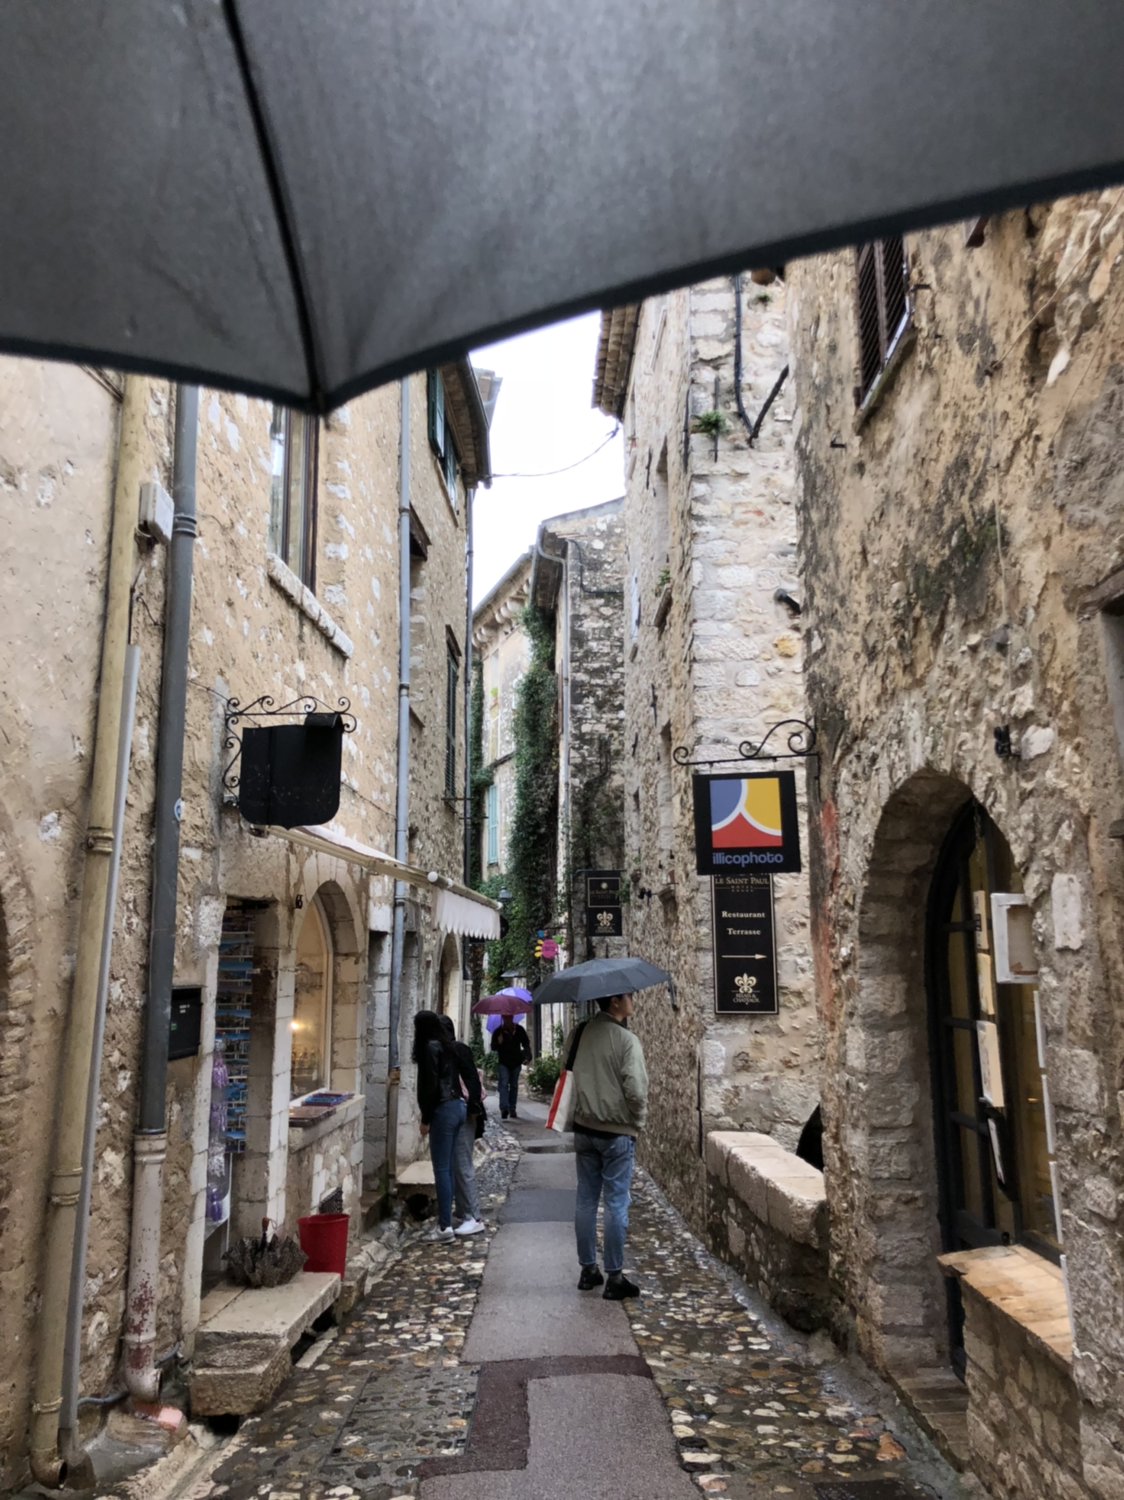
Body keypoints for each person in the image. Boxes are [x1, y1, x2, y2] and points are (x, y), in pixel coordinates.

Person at [569, 992, 648, 1300]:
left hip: (583, 1129)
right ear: (615, 1001)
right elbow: (636, 1090)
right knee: (616, 1201)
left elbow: (568, 1073)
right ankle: (615, 1276)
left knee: (586, 1199)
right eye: (629, 996)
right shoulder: (627, 1041)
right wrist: (637, 1121)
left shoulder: (579, 1034)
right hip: (616, 1132)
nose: (633, 1000)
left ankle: (588, 1270)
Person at [413, 1009, 478, 1242]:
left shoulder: (430, 1048)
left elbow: (430, 1086)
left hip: (444, 1109)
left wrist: (425, 1119)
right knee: (448, 1169)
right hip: (458, 1106)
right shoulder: (447, 1046)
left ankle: (444, 1227)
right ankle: (448, 1220)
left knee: (441, 1170)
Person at [439, 1015, 486, 1235]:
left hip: (466, 1114)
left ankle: (474, 1217)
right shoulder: (448, 1051)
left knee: (462, 1163)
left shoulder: (458, 1050)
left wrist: (474, 1109)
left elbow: (471, 1080)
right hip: (462, 1113)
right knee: (456, 1164)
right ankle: (462, 1210)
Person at [489, 1012, 532, 1119]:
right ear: (503, 1018)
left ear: (512, 1017)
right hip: (503, 1062)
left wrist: (528, 1056)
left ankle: (512, 1109)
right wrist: (499, 1042)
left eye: (509, 1017)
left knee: (514, 1086)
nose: (507, 1019)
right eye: (505, 1017)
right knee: (503, 1085)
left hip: (516, 1062)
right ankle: (504, 1108)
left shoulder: (519, 1030)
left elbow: (526, 1043)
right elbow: (493, 1047)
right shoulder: (498, 1031)